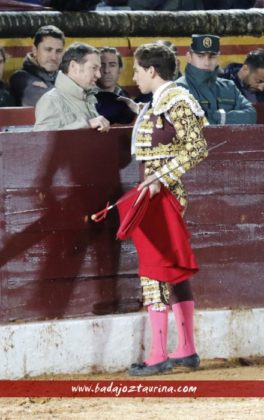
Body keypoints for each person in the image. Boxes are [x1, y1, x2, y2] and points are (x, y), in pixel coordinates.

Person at [124, 42, 208, 376]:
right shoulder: (161, 101)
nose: (134, 76)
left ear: (152, 71)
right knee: (171, 269)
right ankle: (186, 350)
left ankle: (158, 355)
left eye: (137, 70)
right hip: (156, 193)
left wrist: (160, 176)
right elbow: (167, 137)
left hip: (163, 194)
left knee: (153, 271)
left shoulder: (176, 99)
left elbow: (198, 147)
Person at [177, 34, 256, 124]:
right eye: (200, 56)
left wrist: (222, 117)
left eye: (212, 56)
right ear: (189, 57)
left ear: (218, 57)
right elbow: (188, 123)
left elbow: (251, 115)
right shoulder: (179, 88)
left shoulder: (229, 87)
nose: (206, 62)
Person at [34, 42, 110, 132]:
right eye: (94, 68)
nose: (99, 75)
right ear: (73, 66)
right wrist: (87, 124)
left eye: (99, 69)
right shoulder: (51, 101)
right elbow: (42, 140)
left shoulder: (89, 98)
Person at [9, 25, 65, 106]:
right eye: (48, 50)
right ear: (35, 50)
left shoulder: (66, 76)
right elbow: (49, 103)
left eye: (58, 51)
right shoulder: (20, 79)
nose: (54, 57)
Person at [95, 47, 135, 124]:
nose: (106, 70)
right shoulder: (86, 97)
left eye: (112, 65)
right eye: (102, 65)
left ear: (120, 69)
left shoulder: (126, 96)